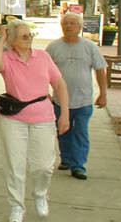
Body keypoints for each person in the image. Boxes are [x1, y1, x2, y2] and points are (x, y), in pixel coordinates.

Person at [0, 20, 71, 222]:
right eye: (24, 36)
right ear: (13, 40)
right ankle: (17, 205)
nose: (29, 38)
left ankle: (40, 194)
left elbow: (59, 85)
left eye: (30, 35)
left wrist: (65, 114)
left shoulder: (43, 57)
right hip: (14, 119)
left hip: (43, 116)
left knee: (43, 165)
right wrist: (2, 39)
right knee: (14, 164)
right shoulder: (7, 59)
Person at [46, 11, 108, 180]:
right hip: (60, 100)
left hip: (83, 101)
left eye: (73, 23)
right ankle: (65, 158)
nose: (69, 27)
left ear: (80, 27)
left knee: (80, 132)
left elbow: (100, 70)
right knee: (63, 130)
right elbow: (42, 71)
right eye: (66, 23)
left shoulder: (90, 47)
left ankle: (78, 165)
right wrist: (45, 93)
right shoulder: (53, 47)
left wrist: (103, 93)